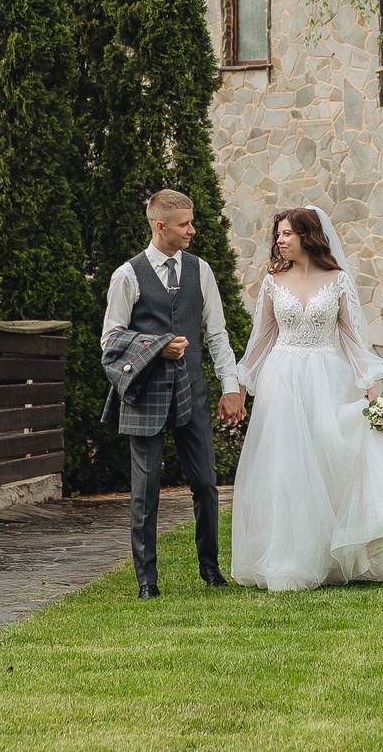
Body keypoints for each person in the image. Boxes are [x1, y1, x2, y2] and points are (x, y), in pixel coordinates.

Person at [230, 205, 383, 591]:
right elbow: (261, 337)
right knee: (286, 468)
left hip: (328, 378)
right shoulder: (271, 282)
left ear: (307, 236)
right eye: (277, 234)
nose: (279, 241)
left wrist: (374, 391)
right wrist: (241, 384)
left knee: (332, 463)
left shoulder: (338, 280)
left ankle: (335, 557)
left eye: (286, 234)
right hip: (283, 380)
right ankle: (289, 560)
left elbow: (352, 338)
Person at [99, 187, 246, 598]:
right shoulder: (126, 275)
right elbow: (110, 339)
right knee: (144, 494)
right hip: (145, 393)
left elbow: (217, 335)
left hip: (193, 391)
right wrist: (156, 346)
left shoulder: (202, 270)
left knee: (205, 484)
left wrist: (229, 388)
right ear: (160, 226)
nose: (192, 231)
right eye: (185, 224)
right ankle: (147, 584)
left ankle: (212, 571)